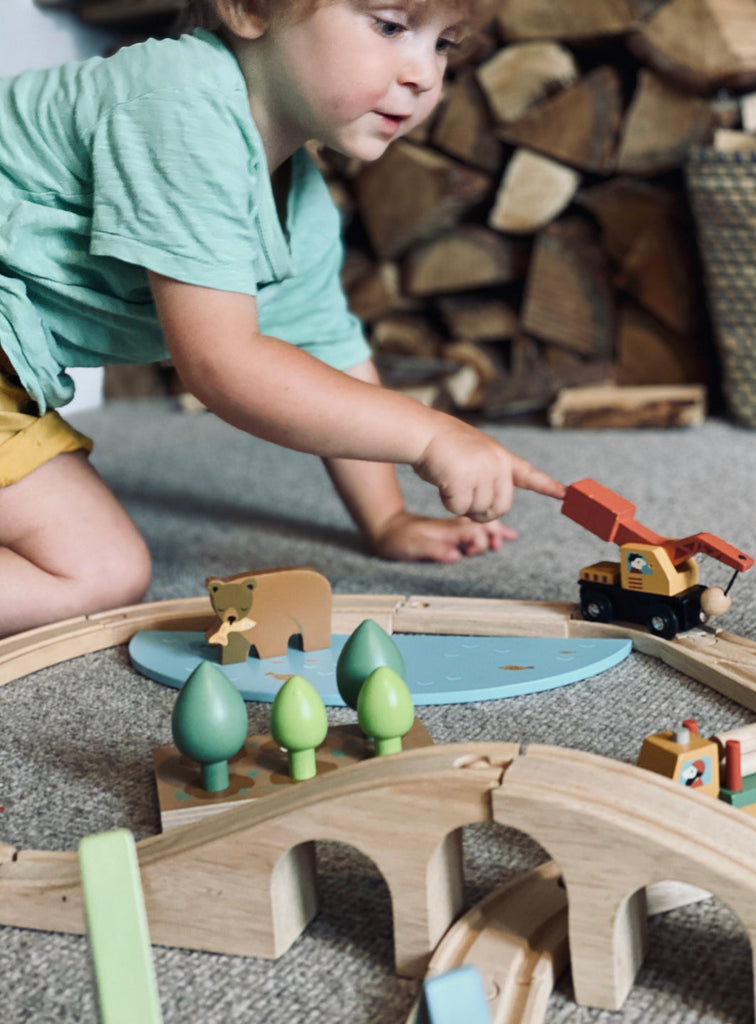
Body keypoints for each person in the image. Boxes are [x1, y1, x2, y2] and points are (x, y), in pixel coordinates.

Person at [0, 0, 566, 637]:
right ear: (248, 8)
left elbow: (326, 348)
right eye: (390, 27)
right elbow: (222, 364)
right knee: (99, 571)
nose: (423, 75)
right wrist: (432, 436)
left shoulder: (298, 202)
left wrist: (387, 520)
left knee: (95, 562)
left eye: (445, 45)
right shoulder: (177, 103)